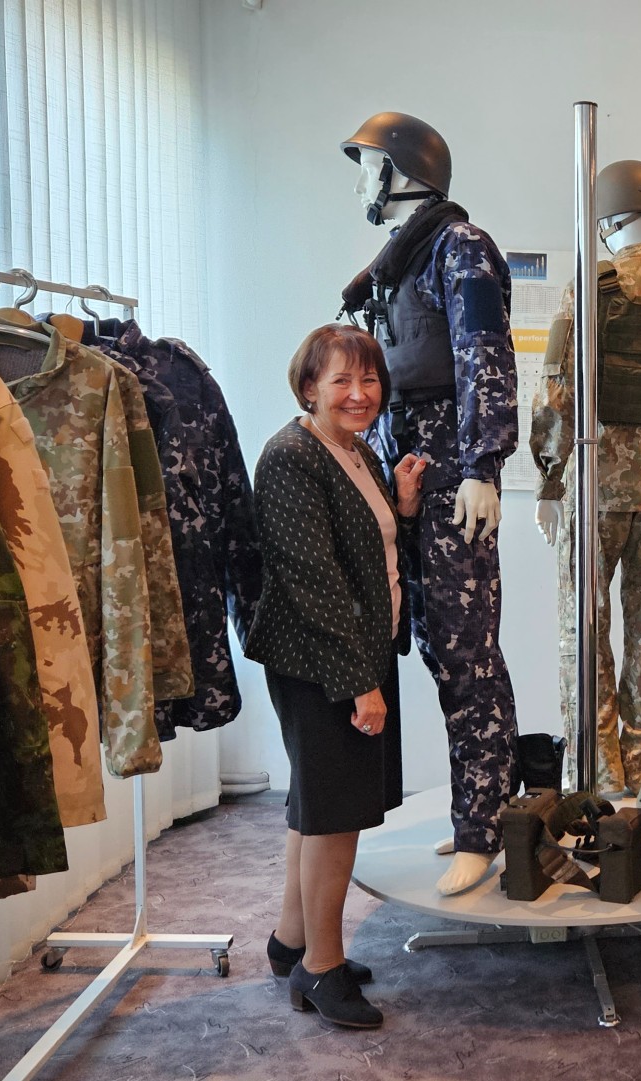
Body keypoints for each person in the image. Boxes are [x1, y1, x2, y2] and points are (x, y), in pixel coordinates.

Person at [244, 324, 426, 1029]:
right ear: (308, 387)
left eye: (369, 379)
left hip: (354, 654)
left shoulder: (355, 451)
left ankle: (293, 944)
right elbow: (313, 582)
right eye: (342, 380)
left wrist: (402, 506)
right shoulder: (291, 457)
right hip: (322, 664)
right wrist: (358, 683)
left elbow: (370, 552)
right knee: (336, 818)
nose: (359, 393)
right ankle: (323, 966)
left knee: (316, 806)